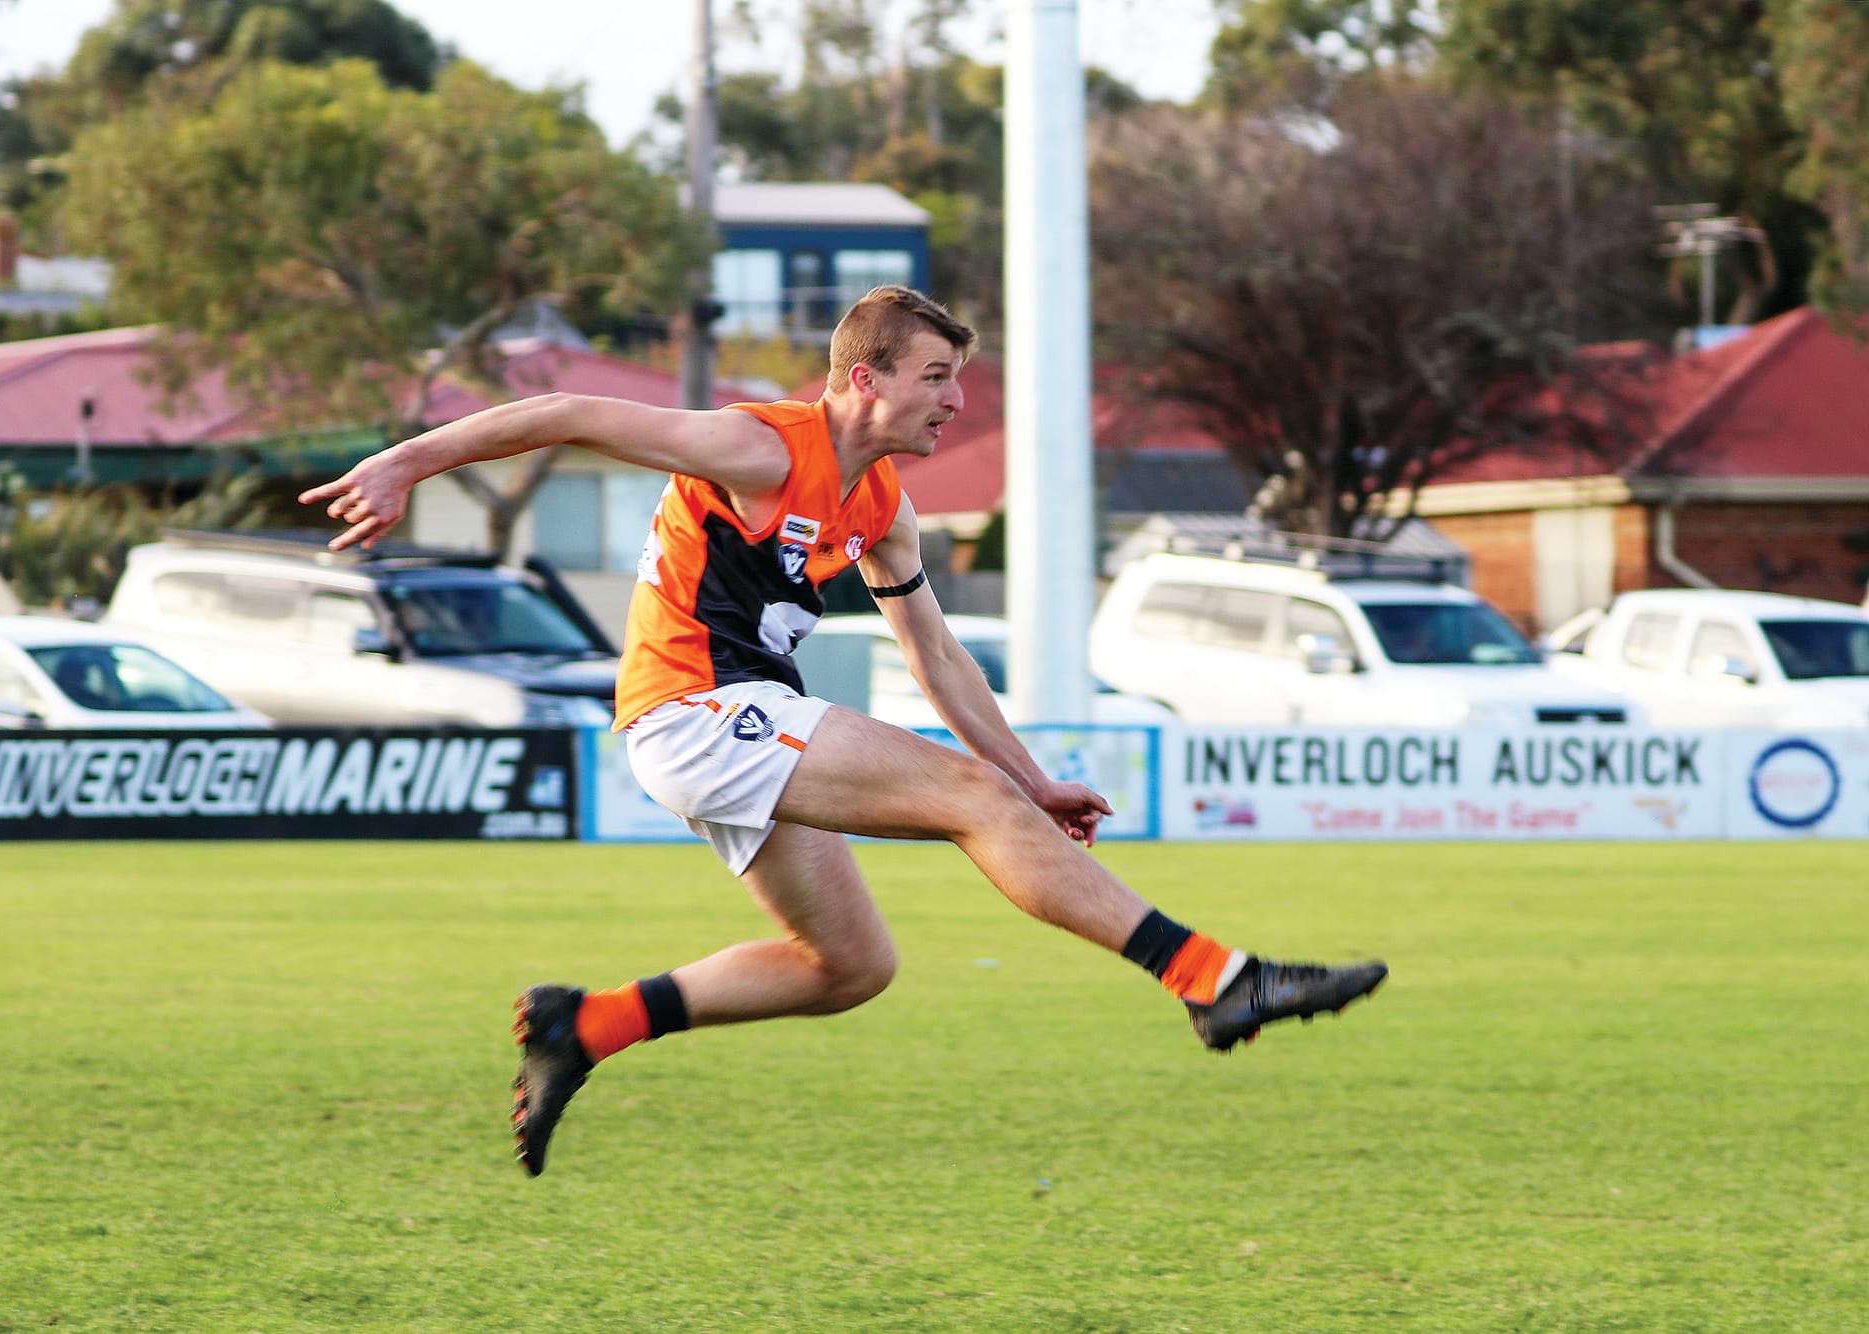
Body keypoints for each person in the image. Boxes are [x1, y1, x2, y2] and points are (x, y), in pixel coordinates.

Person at [299, 286, 1387, 1178]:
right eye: (935, 378)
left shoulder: (883, 507)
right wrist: (404, 463)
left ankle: (584, 1025)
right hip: (696, 709)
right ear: (862, 377)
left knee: (847, 964)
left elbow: (936, 654)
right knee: (971, 803)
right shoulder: (756, 446)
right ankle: (1210, 976)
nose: (953, 401)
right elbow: (569, 413)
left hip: (736, 722)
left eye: (955, 379)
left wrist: (1030, 776)